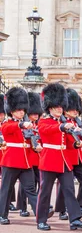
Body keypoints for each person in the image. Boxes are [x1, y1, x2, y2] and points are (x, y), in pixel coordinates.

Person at [35, 83, 82, 232]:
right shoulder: (44, 121)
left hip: (64, 161)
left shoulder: (65, 123)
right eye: (57, 106)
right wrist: (62, 127)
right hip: (49, 160)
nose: (60, 109)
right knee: (45, 191)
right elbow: (46, 131)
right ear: (50, 107)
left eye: (61, 106)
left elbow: (71, 143)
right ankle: (41, 220)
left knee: (69, 190)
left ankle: (75, 219)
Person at [0, 87, 38, 225]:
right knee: (6, 189)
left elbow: (30, 141)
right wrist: (21, 125)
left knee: (31, 189)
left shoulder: (28, 125)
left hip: (25, 162)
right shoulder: (7, 124)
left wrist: (36, 145)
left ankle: (40, 214)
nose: (22, 112)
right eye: (19, 110)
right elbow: (6, 130)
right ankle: (2, 214)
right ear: (12, 111)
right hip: (11, 161)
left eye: (23, 110)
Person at [55, 89, 82, 220]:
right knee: (65, 185)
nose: (75, 111)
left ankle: (80, 205)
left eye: (76, 109)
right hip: (67, 157)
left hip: (78, 157)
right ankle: (61, 209)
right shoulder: (63, 123)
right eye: (72, 109)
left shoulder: (77, 123)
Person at [15, 92, 44, 216]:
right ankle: (22, 206)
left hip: (39, 157)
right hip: (28, 156)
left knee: (38, 181)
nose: (35, 115)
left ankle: (37, 204)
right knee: (25, 184)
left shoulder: (39, 124)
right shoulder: (23, 125)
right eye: (33, 113)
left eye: (37, 113)